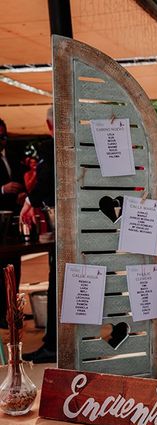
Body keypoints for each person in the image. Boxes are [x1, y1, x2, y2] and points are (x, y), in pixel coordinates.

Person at [21, 108, 56, 364]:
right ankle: (55, 340)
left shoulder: (51, 148)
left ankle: (54, 344)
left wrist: (30, 201)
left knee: (58, 282)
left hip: (64, 229)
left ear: (48, 124)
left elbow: (44, 181)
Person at [0, 118, 26, 329]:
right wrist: (2, 189)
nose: (3, 141)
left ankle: (12, 310)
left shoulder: (12, 156)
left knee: (14, 267)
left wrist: (23, 194)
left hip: (14, 219)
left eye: (4, 136)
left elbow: (22, 181)